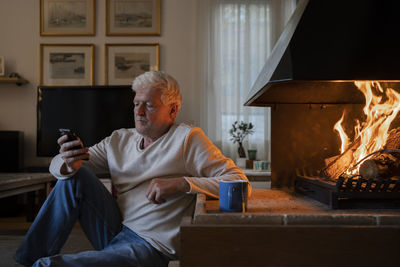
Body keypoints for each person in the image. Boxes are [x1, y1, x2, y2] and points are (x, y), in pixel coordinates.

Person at [14, 71, 251, 267]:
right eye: (136, 104)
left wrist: (182, 183)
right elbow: (57, 168)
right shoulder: (118, 140)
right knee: (74, 177)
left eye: (148, 105)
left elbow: (239, 181)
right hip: (116, 228)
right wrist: (67, 161)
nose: (138, 112)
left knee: (49, 266)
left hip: (150, 246)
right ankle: (27, 260)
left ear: (173, 110)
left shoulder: (188, 138)